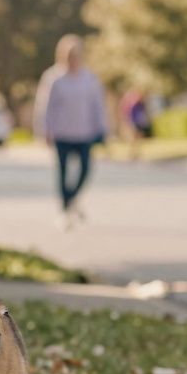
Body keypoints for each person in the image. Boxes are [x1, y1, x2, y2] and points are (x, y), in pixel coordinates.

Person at [34, 35, 108, 229]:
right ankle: (65, 209)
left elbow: (97, 106)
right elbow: (45, 107)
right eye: (70, 55)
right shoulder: (53, 78)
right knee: (63, 172)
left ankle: (73, 199)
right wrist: (44, 130)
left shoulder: (90, 79)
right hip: (62, 133)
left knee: (85, 169)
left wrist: (102, 129)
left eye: (77, 54)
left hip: (85, 133)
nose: (73, 58)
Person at [118, 88, 152, 160]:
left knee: (137, 138)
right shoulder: (134, 104)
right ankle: (133, 152)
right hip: (134, 122)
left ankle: (135, 152)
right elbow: (131, 114)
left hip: (137, 122)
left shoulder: (139, 104)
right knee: (134, 138)